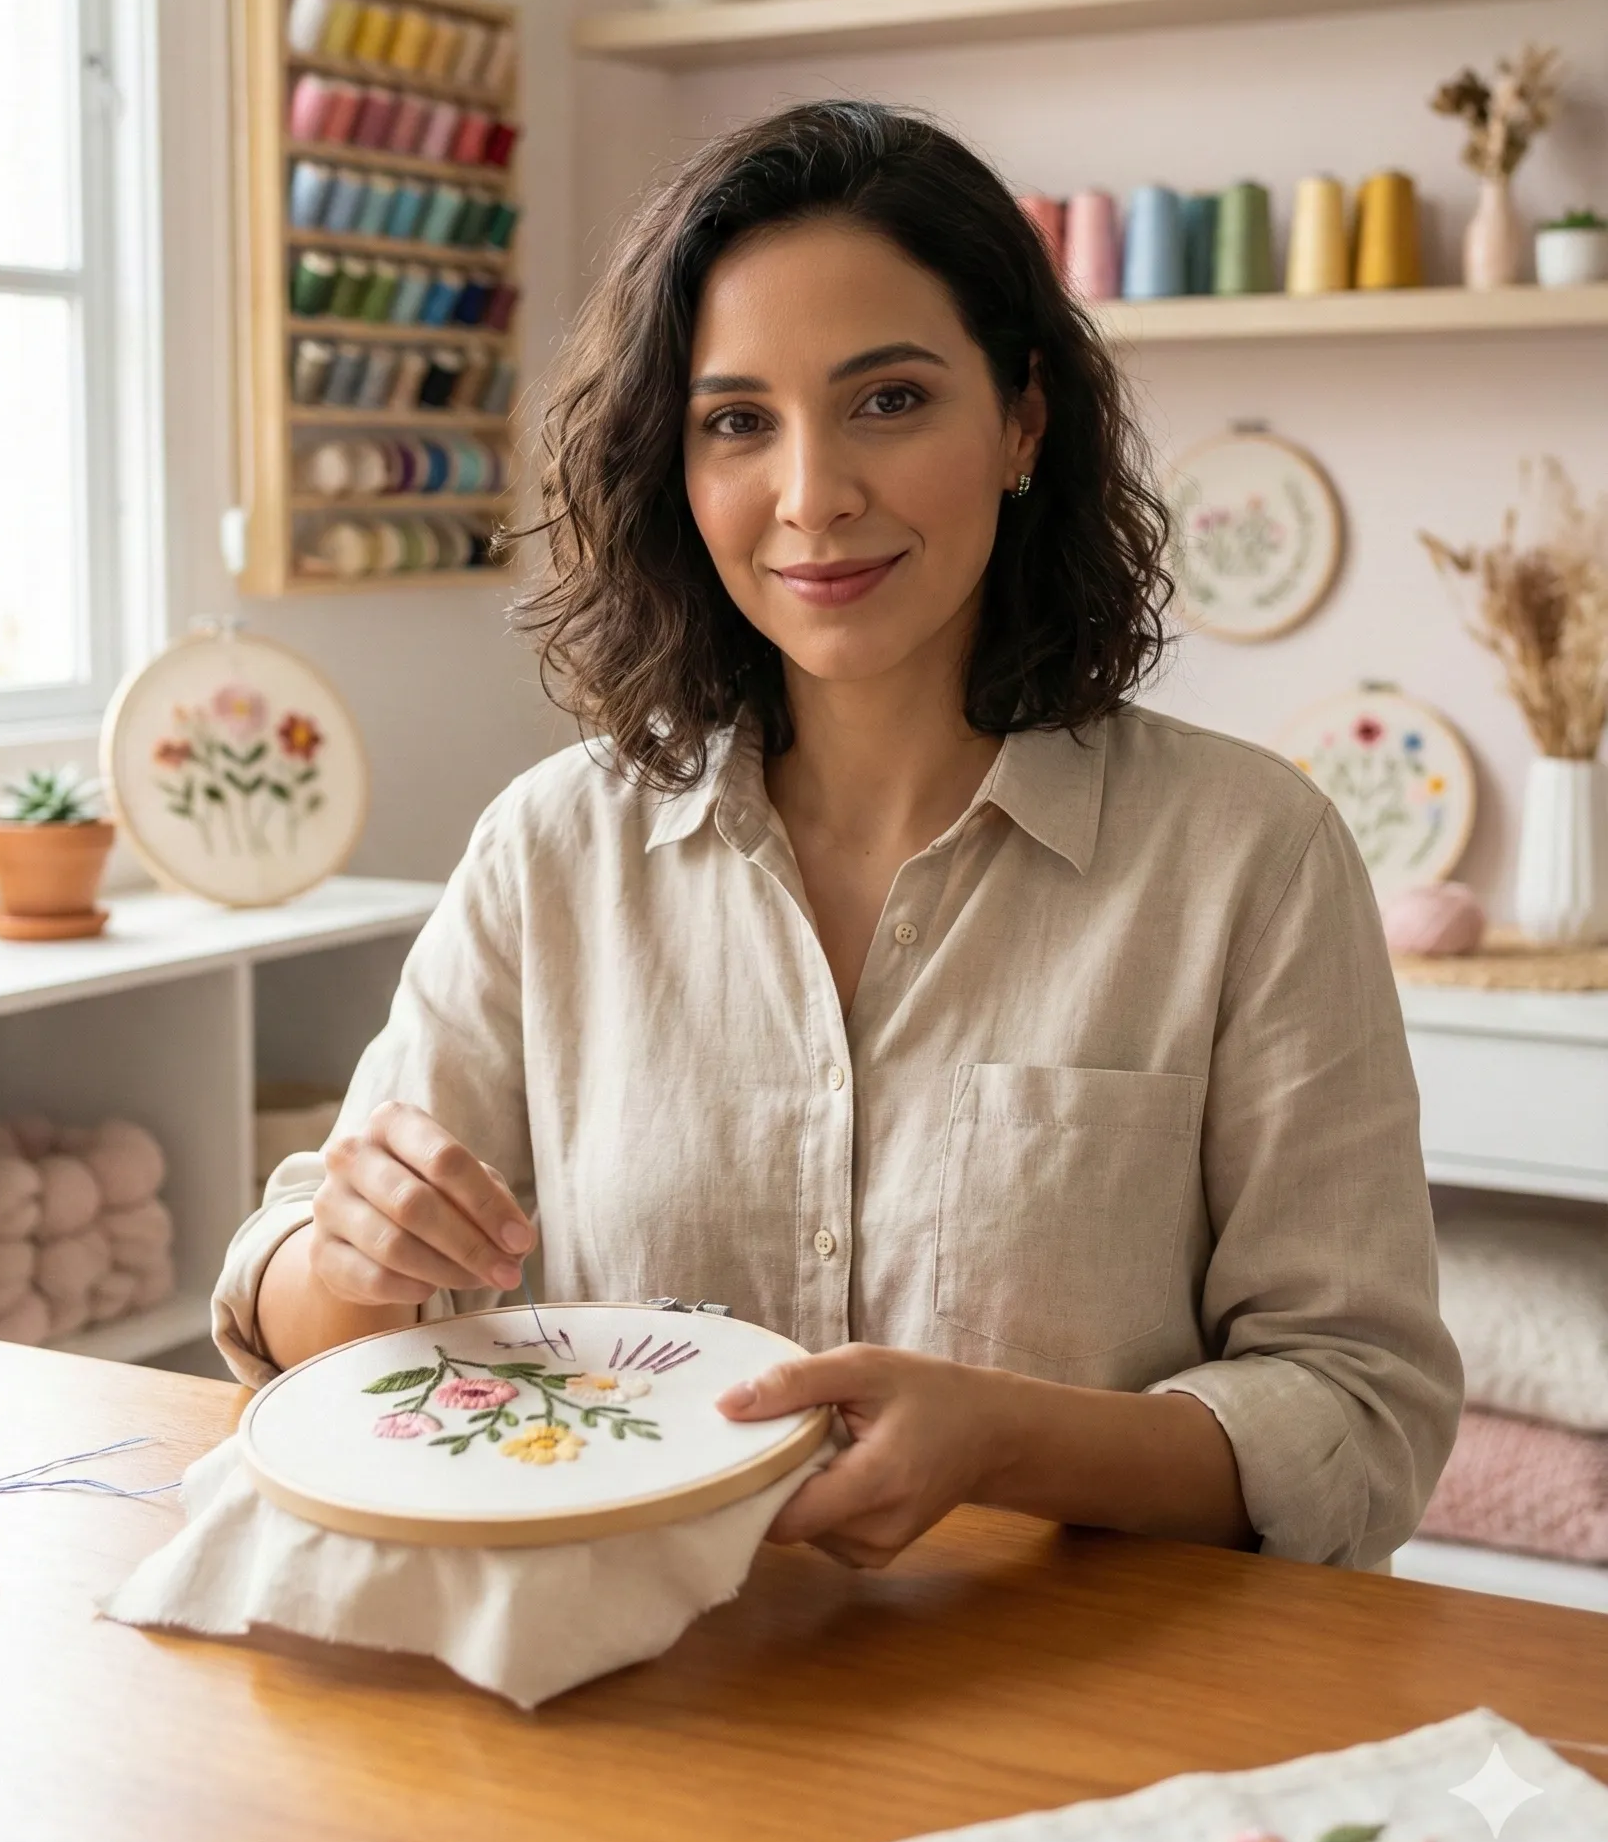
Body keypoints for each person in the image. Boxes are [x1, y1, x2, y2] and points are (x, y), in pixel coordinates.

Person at [217, 100, 1461, 1572]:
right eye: (738, 422)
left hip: (1085, 1682)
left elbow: (1362, 1412)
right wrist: (351, 1260)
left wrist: (1011, 1442)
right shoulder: (551, 852)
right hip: (641, 1667)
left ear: (1022, 421)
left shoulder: (1252, 856)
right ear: (675, 466)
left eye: (889, 400)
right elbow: (295, 1303)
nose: (812, 497)